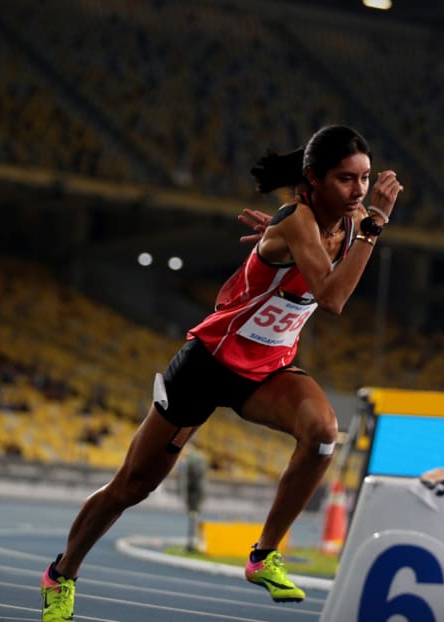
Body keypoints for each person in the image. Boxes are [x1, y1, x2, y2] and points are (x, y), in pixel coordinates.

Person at [40, 125, 403, 621]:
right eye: (346, 180)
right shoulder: (305, 221)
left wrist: (347, 230)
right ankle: (61, 574)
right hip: (208, 364)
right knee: (133, 485)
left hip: (268, 367)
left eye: (365, 180)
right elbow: (333, 298)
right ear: (313, 179)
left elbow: (333, 263)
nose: (359, 192)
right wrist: (370, 225)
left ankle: (263, 555)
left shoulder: (346, 221)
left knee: (322, 434)